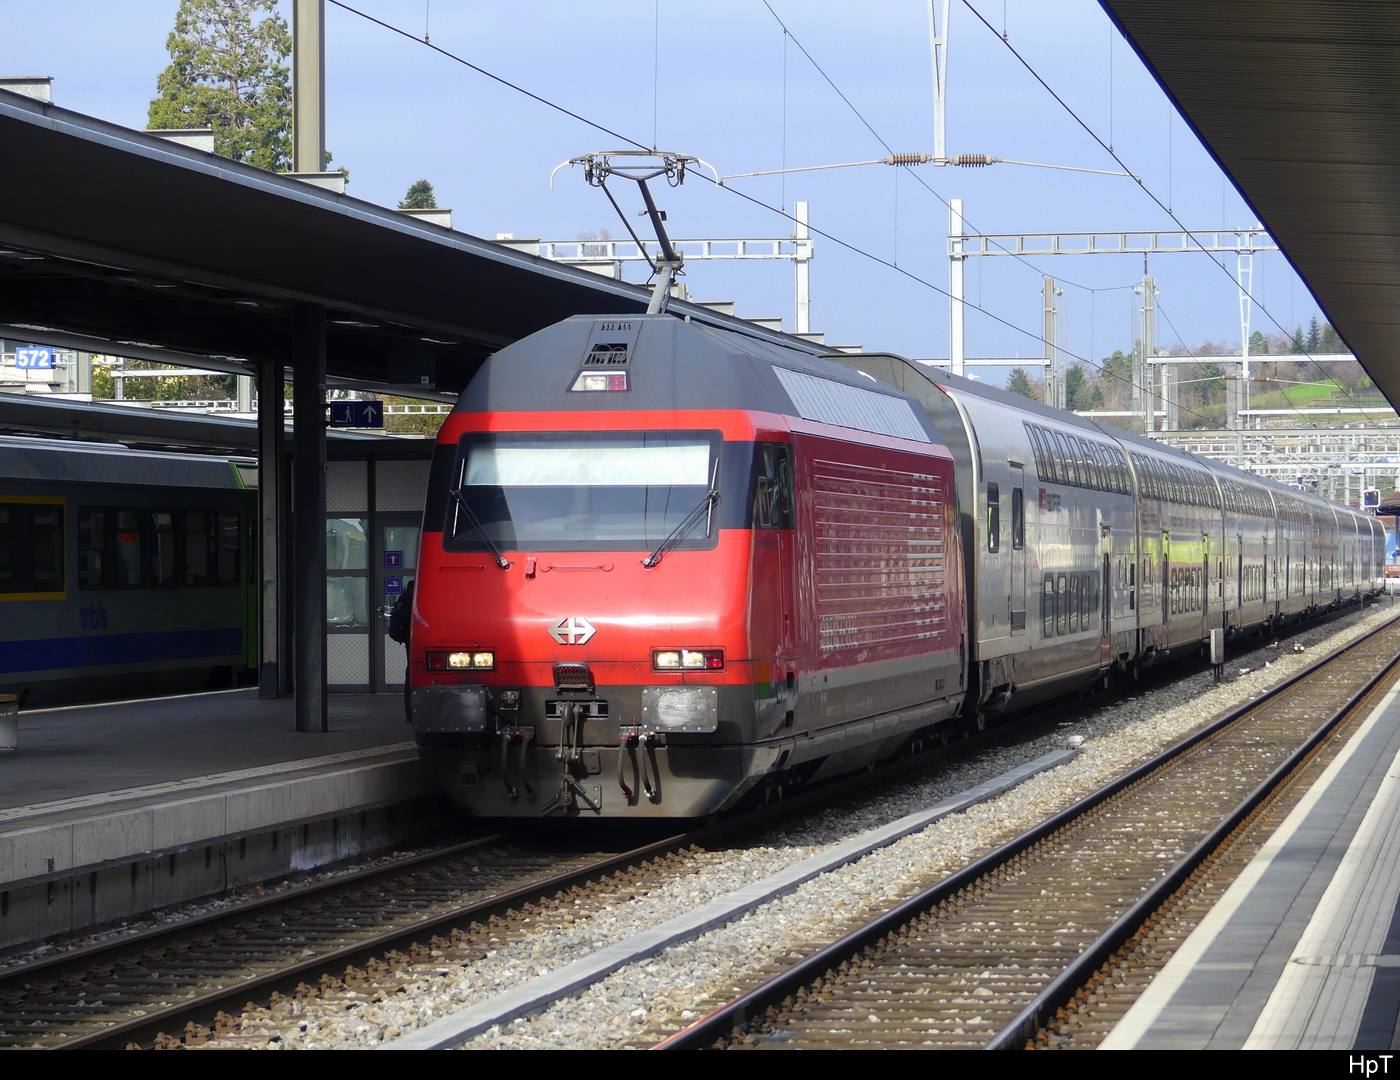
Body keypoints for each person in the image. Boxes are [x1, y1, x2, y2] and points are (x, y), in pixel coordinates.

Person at [388, 578, 414, 721]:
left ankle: (410, 713)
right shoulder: (418, 594)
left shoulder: (407, 593)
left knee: (411, 671)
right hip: (417, 638)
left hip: (409, 638)